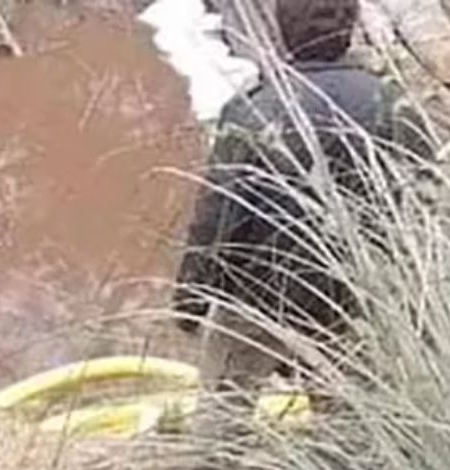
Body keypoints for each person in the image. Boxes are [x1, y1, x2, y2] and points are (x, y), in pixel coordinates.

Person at [173, 0, 431, 414]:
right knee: (348, 415)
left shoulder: (252, 110)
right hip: (352, 292)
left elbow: (217, 217)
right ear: (349, 32)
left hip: (258, 295)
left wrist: (190, 300)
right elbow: (426, 193)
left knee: (222, 415)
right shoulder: (391, 102)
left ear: (285, 35)